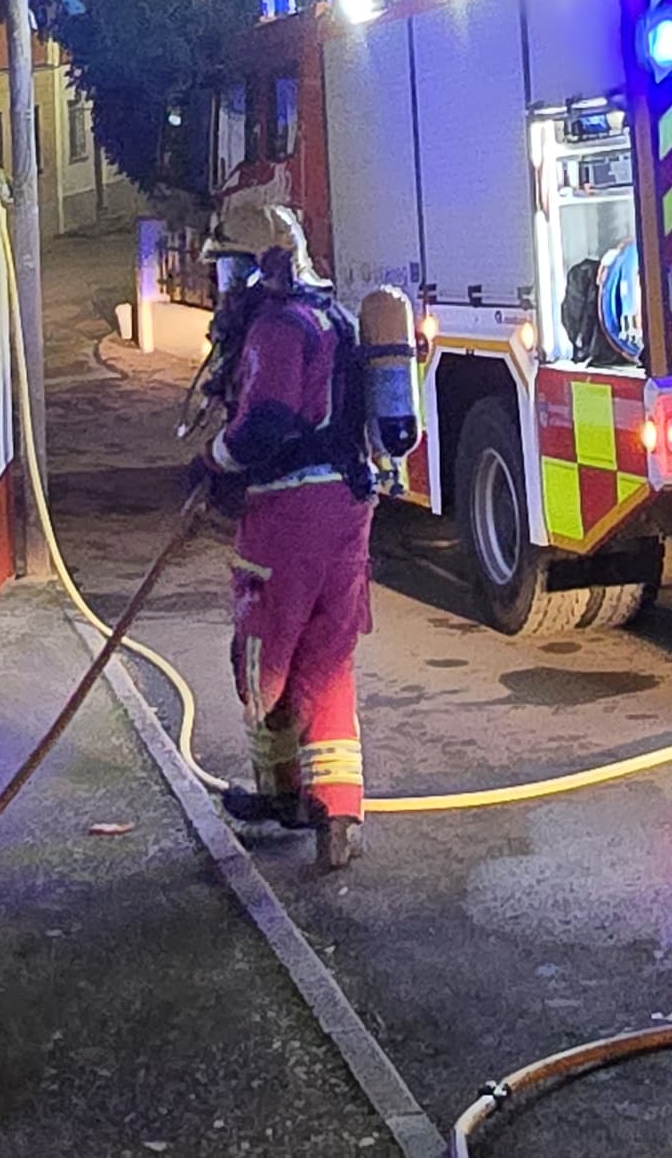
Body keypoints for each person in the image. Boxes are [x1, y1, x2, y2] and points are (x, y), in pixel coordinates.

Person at [193, 206, 403, 870]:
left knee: (262, 657)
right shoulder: (335, 317)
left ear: (260, 267)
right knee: (328, 654)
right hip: (350, 504)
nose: (225, 281)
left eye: (230, 265)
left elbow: (266, 425)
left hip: (290, 513)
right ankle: (337, 816)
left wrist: (215, 460)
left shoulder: (278, 329)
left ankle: (282, 795)